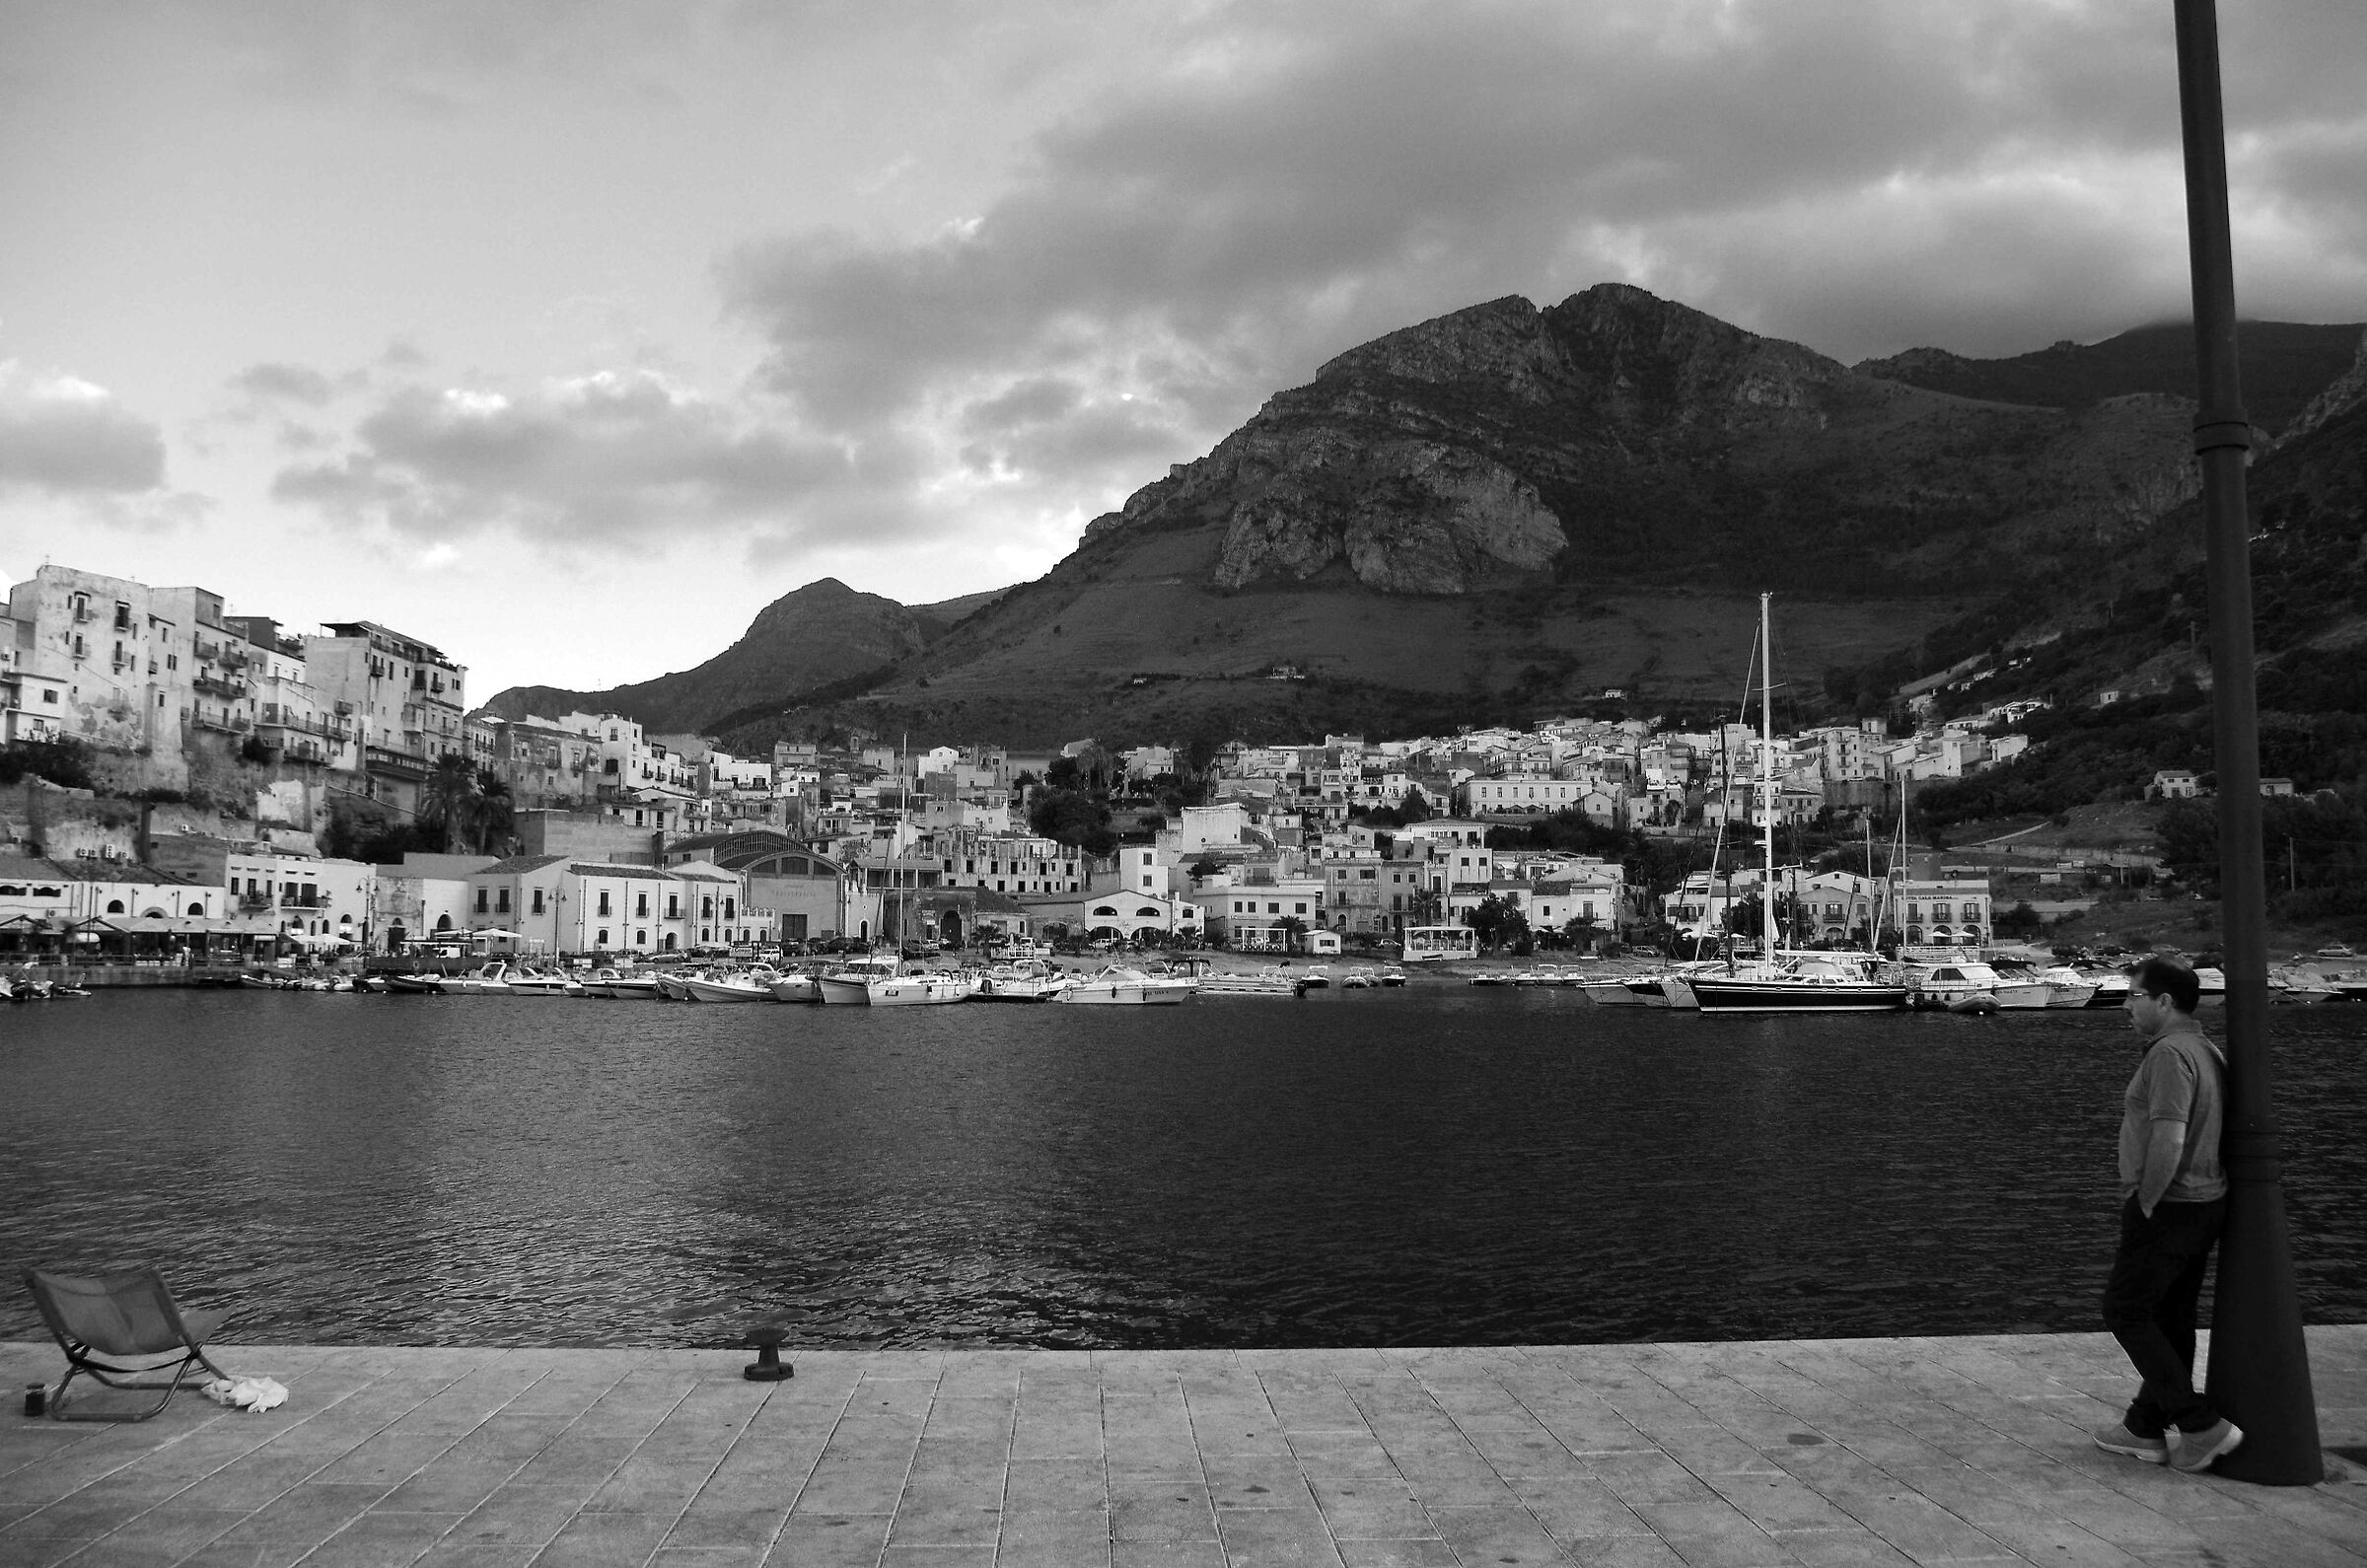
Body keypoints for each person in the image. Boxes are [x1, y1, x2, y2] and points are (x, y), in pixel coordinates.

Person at [2093, 957, 2244, 1473]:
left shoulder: (2169, 1054)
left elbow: (2170, 1135)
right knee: (2171, 1317)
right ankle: (2143, 1427)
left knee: (2125, 1309)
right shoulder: (2205, 1049)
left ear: (2163, 1002)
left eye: (2134, 996)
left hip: (2172, 1204)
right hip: (2204, 1203)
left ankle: (2199, 1425)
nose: (2127, 1007)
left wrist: (2146, 1200)